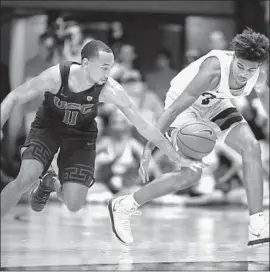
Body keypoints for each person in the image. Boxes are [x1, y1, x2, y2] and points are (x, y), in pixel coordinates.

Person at [0, 40, 204, 219]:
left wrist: (176, 156)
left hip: (81, 136)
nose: (109, 73)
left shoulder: (111, 89)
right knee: (25, 179)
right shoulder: (55, 76)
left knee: (74, 204)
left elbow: (144, 126)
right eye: (104, 67)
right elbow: (14, 97)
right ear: (86, 64)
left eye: (111, 68)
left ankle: (50, 181)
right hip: (48, 127)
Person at [108, 28, 269, 247]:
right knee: (191, 174)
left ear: (259, 67)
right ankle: (125, 205)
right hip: (184, 107)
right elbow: (174, 109)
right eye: (240, 66)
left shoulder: (258, 76)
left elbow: (265, 97)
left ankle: (257, 225)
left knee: (252, 147)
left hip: (216, 104)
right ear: (233, 56)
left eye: (250, 69)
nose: (243, 73)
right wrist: (148, 149)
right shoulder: (213, 69)